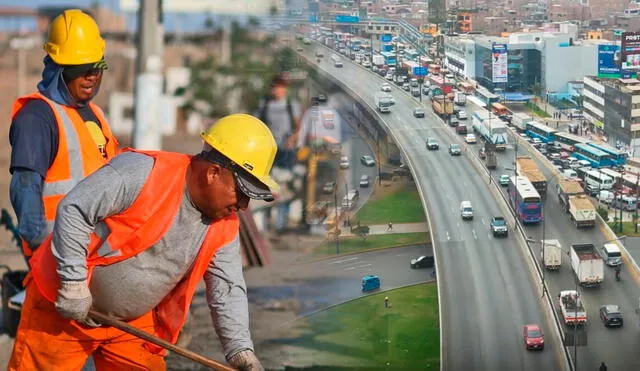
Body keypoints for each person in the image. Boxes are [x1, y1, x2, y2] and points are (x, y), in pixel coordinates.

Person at [8, 114, 277, 371]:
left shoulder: (225, 224)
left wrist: (240, 349)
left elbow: (227, 288)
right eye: (241, 193)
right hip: (62, 304)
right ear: (213, 173)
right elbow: (75, 209)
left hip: (131, 327)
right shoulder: (142, 173)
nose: (243, 205)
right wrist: (73, 284)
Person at [9, 9, 118, 262]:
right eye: (81, 68)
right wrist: (41, 249)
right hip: (57, 256)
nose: (91, 75)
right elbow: (25, 189)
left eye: (97, 67)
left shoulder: (96, 114)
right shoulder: (37, 117)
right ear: (58, 68)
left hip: (97, 254)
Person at [257, 72, 302, 231]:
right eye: (276, 87)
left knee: (284, 187)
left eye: (281, 87)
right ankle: (265, 221)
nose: (278, 90)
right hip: (268, 152)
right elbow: (257, 125)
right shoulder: (265, 105)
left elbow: (298, 128)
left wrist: (293, 139)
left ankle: (280, 224)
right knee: (267, 186)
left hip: (286, 152)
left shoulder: (292, 105)